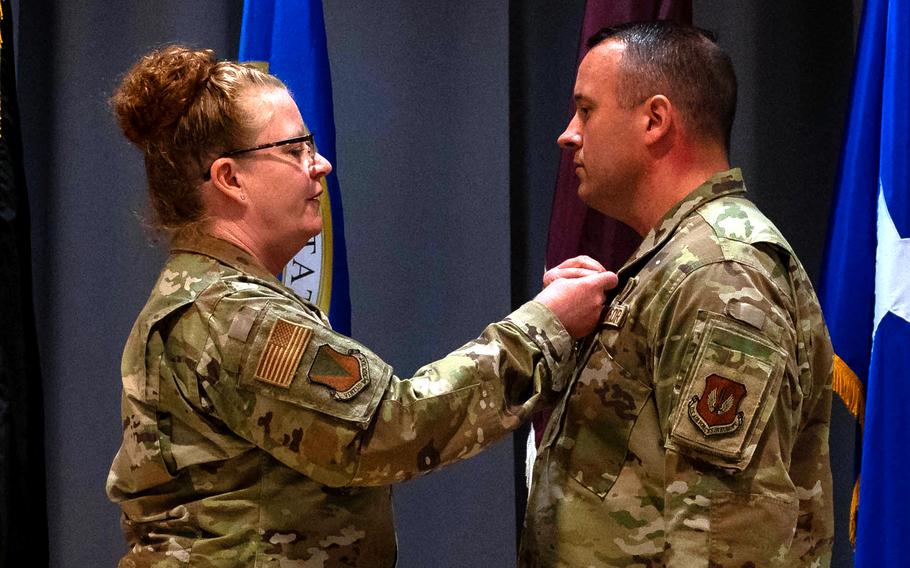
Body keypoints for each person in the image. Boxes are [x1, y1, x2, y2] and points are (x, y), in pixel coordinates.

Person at [105, 45, 618, 567]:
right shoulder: (234, 314)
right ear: (230, 179)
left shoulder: (213, 295)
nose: (320, 164)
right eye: (295, 148)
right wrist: (545, 324)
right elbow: (390, 428)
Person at [520, 22, 834, 567]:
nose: (568, 134)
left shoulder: (720, 272)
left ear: (655, 120)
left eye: (586, 110)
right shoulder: (678, 262)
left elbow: (725, 541)